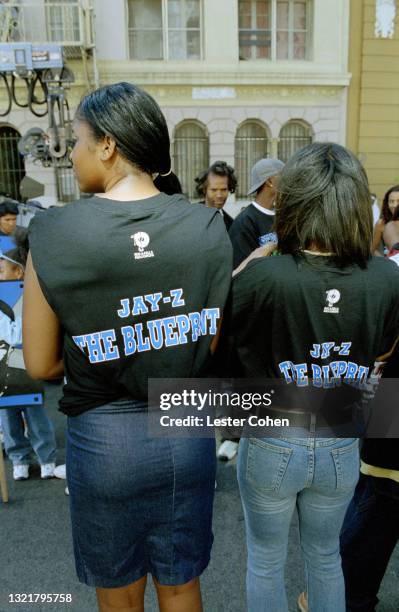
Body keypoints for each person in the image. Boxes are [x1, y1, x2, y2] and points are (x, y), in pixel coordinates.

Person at [23, 82, 232, 612]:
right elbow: (210, 340)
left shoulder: (53, 233)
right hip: (186, 431)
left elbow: (40, 362)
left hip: (103, 439)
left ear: (108, 146)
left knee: (119, 591)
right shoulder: (207, 225)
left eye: (76, 141)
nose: (70, 155)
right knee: (181, 583)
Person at [230, 142, 399, 612]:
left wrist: (247, 267)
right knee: (326, 558)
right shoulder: (385, 276)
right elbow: (384, 351)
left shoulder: (266, 274)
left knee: (265, 560)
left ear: (295, 200)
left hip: (271, 430)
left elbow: (223, 338)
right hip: (342, 433)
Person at [0, 244, 57, 480]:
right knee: (7, 415)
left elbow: (18, 334)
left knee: (35, 412)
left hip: (26, 363)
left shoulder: (30, 298)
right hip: (4, 368)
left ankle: (46, 457)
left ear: (18, 273)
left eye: (2, 270)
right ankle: (19, 458)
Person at [229, 158, 284, 268]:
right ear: (270, 182)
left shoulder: (282, 216)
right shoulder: (244, 222)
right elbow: (242, 269)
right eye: (283, 176)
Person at [194, 160, 237, 230]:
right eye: (214, 190)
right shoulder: (191, 217)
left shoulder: (232, 224)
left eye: (224, 189)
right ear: (204, 190)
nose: (219, 195)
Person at [372, 184, 399, 255]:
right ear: (387, 203)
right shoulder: (381, 223)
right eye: (391, 201)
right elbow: (372, 249)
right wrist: (386, 261)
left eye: (398, 201)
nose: (395, 205)